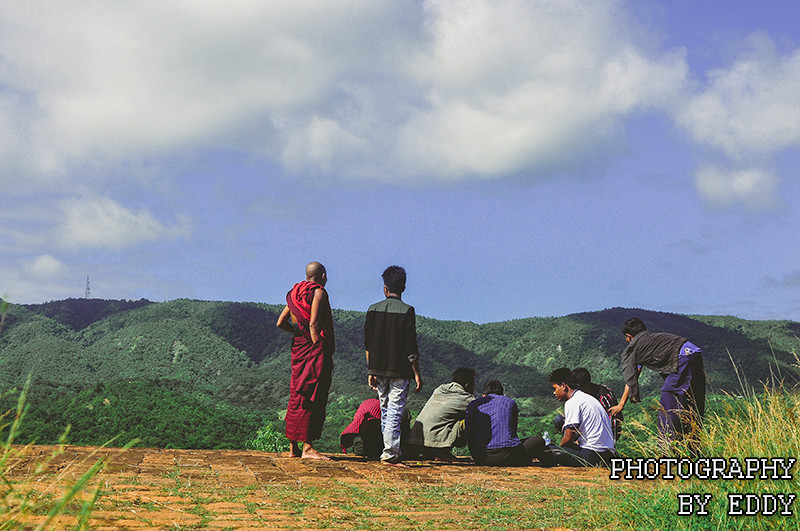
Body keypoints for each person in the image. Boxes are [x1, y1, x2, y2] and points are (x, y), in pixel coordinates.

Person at [609, 318, 706, 453]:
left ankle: (668, 455)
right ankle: (693, 452)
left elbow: (632, 377)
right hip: (694, 353)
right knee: (691, 405)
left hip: (682, 357)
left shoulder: (636, 346)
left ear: (628, 336)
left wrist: (621, 404)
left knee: (668, 408)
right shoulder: (653, 338)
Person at [365, 265, 423, 467]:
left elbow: (368, 343)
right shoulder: (407, 311)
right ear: (404, 287)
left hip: (378, 368)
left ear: (385, 288)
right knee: (395, 411)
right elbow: (410, 345)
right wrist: (416, 372)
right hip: (400, 370)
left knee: (385, 409)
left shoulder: (373, 309)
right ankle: (390, 454)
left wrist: (370, 369)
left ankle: (388, 450)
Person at [276, 261, 335, 460]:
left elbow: (280, 322)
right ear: (324, 276)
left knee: (296, 395)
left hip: (299, 346)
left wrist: (296, 331)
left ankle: (293, 449)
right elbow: (314, 323)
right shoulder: (319, 292)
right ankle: (308, 447)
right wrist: (319, 347)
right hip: (312, 347)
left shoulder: (295, 293)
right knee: (312, 394)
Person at [536, 368, 616, 467]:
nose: (554, 393)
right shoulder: (587, 398)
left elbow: (569, 436)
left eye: (555, 388)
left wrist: (559, 450)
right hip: (607, 454)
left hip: (593, 455)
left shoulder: (573, 402)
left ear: (564, 386)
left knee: (547, 451)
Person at [465, 380, 542, 466]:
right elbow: (512, 431)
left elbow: (469, 433)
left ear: (484, 394)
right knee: (539, 441)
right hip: (507, 456)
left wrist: (475, 454)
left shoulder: (473, 404)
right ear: (502, 393)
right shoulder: (509, 402)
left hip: (481, 457)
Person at [409, 367, 475, 460]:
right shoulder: (466, 398)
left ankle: (431, 453)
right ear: (467, 385)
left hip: (416, 439)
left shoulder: (439, 389)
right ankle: (441, 452)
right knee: (471, 420)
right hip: (435, 443)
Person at [563, 367, 623, 441]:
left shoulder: (604, 397)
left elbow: (612, 422)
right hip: (589, 428)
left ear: (587, 384)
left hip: (604, 434)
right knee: (560, 420)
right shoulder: (582, 397)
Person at [339, 398, 412, 459]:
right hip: (376, 446)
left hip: (359, 448)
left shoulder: (367, 403)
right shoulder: (396, 409)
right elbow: (403, 432)